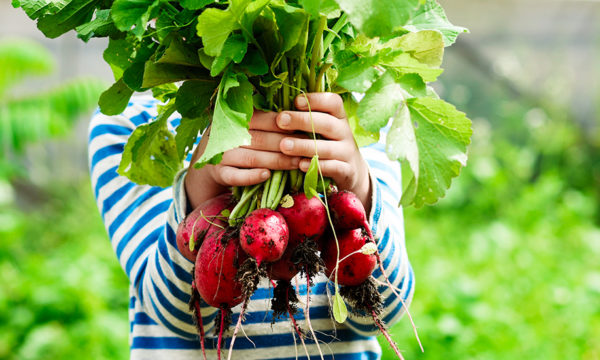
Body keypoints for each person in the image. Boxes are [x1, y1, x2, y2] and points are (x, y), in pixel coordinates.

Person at [88, 92, 414, 360]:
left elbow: (381, 313)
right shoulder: (134, 126)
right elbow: (178, 316)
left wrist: (357, 183)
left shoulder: (355, 118)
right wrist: (204, 177)